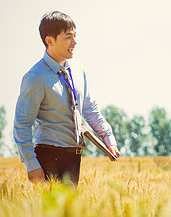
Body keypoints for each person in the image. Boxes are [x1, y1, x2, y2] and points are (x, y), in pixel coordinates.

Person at [14, 11, 120, 185]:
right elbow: (22, 124)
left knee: (69, 212)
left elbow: (89, 108)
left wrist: (108, 138)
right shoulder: (35, 77)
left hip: (74, 155)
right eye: (68, 37)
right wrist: (31, 163)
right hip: (48, 155)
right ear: (50, 41)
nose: (75, 42)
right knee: (52, 212)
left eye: (75, 36)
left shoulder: (78, 69)